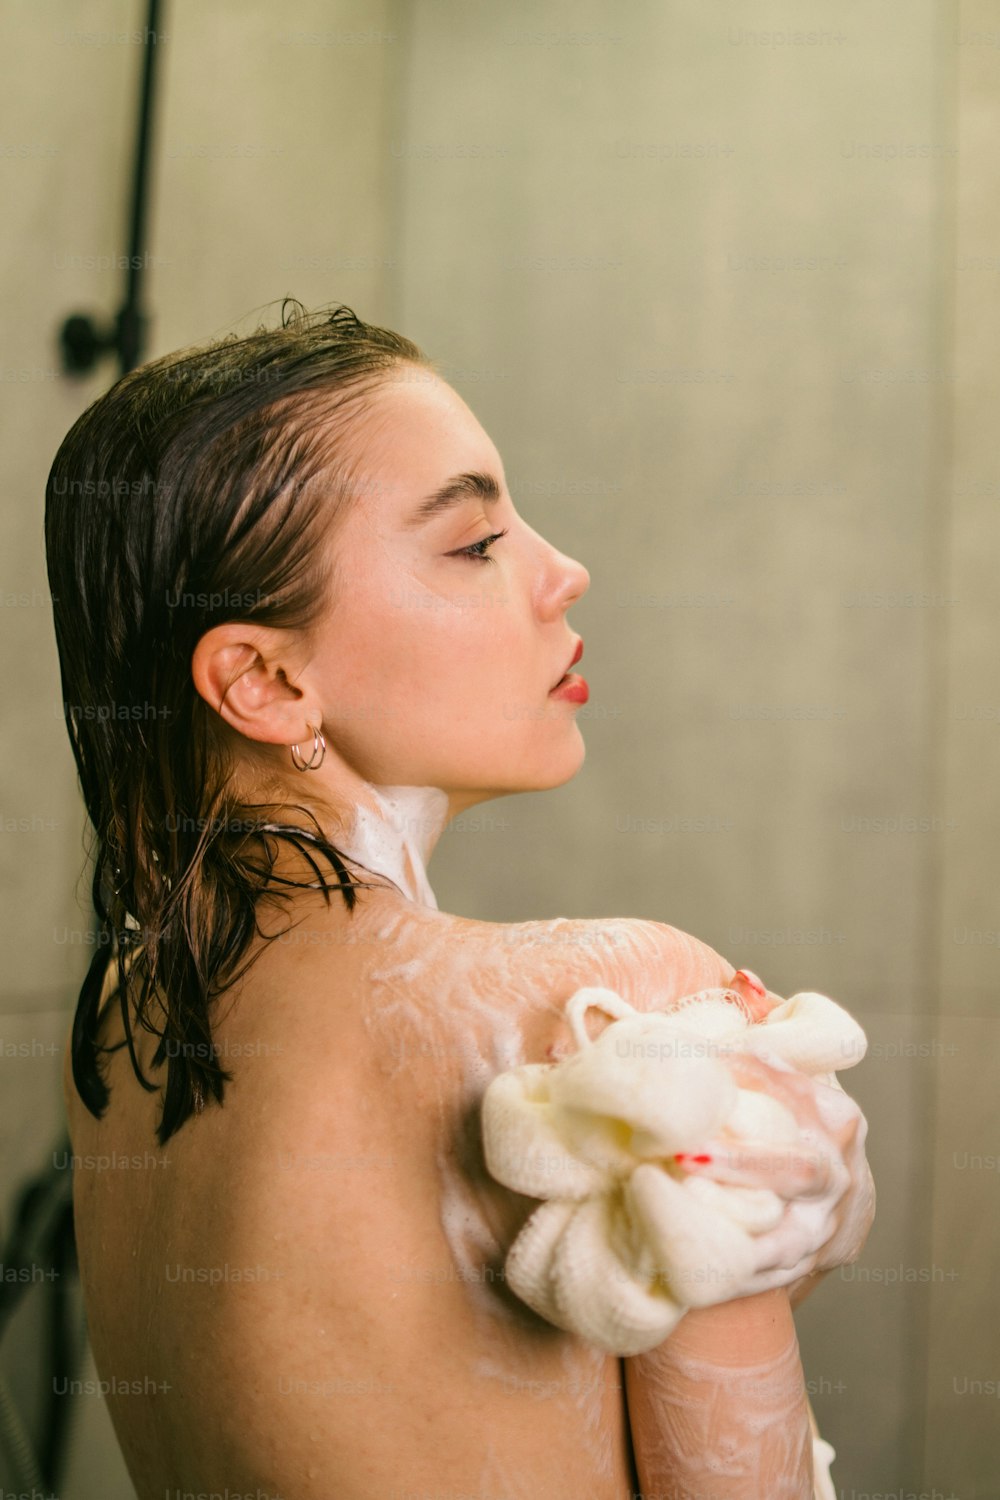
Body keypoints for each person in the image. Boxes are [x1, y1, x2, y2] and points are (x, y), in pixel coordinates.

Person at [47, 301, 874, 1499]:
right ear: (266, 680)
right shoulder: (604, 1009)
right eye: (476, 542)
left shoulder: (124, 1034)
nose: (562, 572)